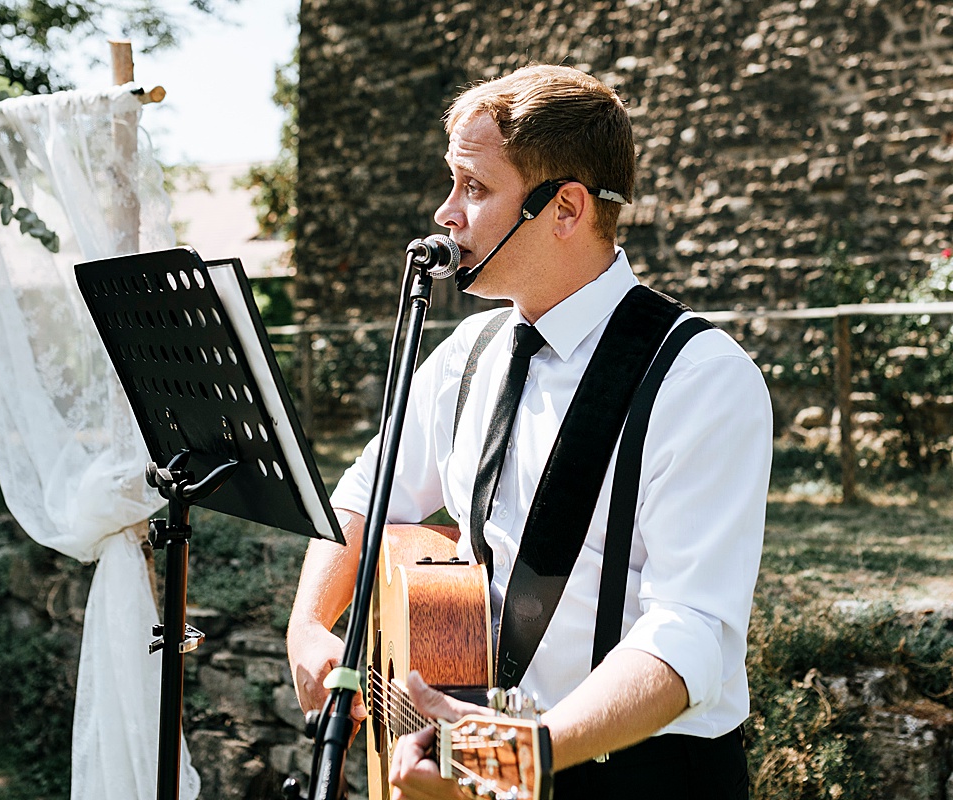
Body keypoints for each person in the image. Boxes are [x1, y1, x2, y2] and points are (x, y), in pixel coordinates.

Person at [286, 64, 771, 799]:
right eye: (451, 184)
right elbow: (367, 495)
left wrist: (524, 754)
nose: (446, 213)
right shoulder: (467, 355)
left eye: (474, 188)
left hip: (643, 777)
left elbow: (694, 630)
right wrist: (308, 629)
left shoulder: (702, 377)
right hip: (486, 763)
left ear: (566, 208)